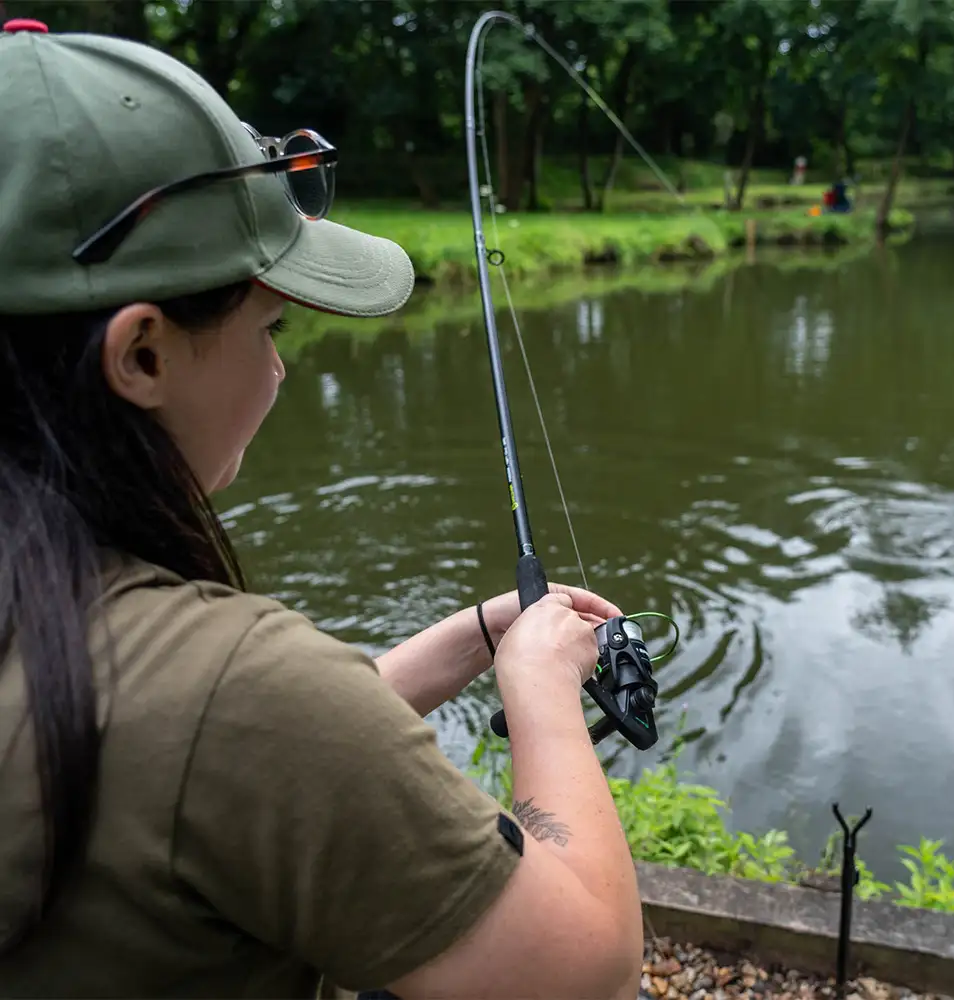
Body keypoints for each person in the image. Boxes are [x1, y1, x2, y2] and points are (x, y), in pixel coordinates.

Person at [0, 20, 644, 1000]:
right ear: (141, 354)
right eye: (271, 324)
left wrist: (479, 639)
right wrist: (544, 691)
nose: (280, 365)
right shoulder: (229, 689)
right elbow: (582, 966)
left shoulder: (110, 662)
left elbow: (219, 763)